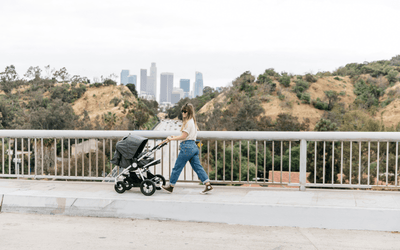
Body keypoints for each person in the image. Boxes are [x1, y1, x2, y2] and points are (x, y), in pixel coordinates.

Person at [161, 103, 213, 194]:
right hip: (193, 147)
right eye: (182, 111)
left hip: (187, 148)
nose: (183, 113)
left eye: (185, 111)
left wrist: (171, 138)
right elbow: (186, 136)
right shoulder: (192, 122)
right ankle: (208, 184)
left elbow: (184, 137)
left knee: (177, 167)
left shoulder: (188, 123)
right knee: (198, 167)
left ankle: (171, 186)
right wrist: (175, 136)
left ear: (189, 112)